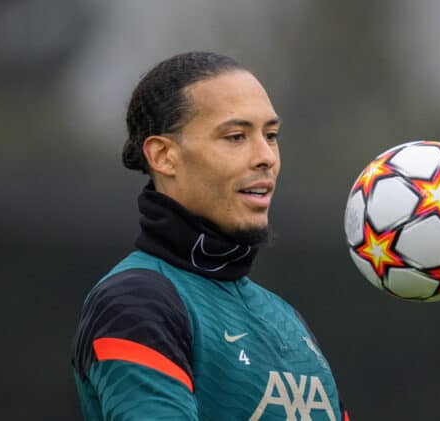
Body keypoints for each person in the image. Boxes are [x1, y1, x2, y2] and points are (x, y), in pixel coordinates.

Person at [71, 51, 351, 421]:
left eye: (271, 135)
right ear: (163, 156)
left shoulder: (286, 318)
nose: (265, 156)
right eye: (236, 136)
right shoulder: (136, 302)